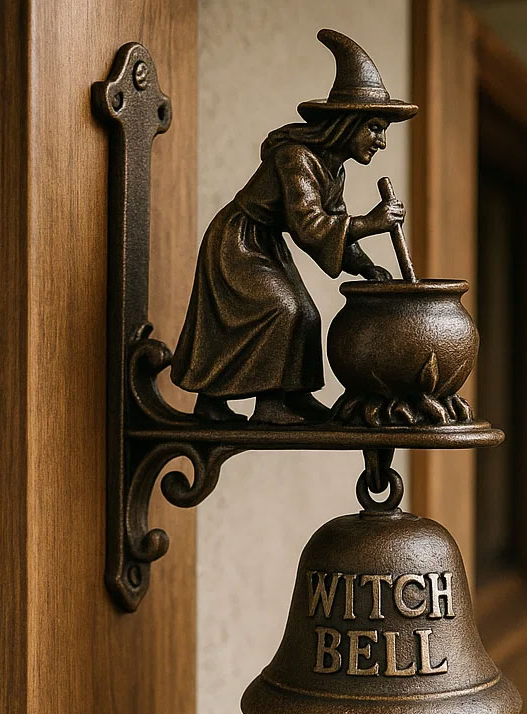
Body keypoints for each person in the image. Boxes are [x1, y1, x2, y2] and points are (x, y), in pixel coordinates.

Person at [170, 30, 417, 424]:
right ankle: (266, 405)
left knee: (306, 313)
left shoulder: (333, 169)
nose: (381, 141)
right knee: (281, 310)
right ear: (346, 123)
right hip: (238, 241)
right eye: (374, 128)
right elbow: (311, 226)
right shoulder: (296, 158)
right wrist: (372, 222)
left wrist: (365, 266)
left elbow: (332, 227)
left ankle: (286, 398)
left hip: (265, 243)